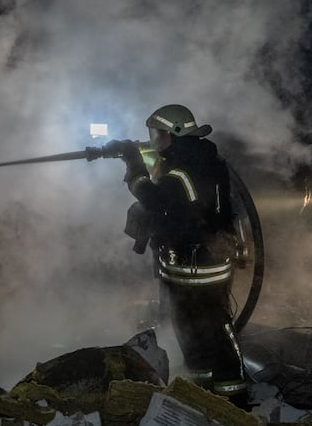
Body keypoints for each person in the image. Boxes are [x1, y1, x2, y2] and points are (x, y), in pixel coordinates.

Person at [105, 104, 248, 406]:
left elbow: (153, 198)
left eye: (157, 134)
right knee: (192, 335)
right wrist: (126, 150)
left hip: (199, 269)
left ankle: (234, 401)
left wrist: (132, 164)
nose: (153, 140)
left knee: (213, 334)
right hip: (188, 266)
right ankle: (202, 394)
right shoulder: (191, 159)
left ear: (174, 134)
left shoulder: (185, 170)